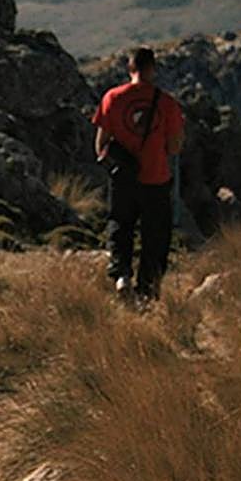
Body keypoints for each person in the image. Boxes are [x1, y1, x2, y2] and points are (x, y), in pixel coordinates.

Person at [93, 48, 185, 299]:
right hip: (155, 178)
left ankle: (121, 274)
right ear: (152, 70)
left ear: (129, 69)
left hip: (122, 179)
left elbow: (100, 144)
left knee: (120, 225)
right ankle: (147, 292)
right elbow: (175, 147)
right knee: (155, 236)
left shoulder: (112, 98)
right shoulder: (167, 104)